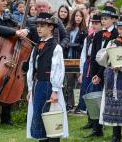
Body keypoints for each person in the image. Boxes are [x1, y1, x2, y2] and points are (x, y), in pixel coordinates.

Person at [26, 12, 68, 141]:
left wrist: (55, 90)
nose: (38, 28)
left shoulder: (56, 47)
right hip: (38, 85)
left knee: (51, 117)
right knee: (38, 115)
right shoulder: (37, 46)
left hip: (49, 86)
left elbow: (58, 69)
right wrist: (30, 88)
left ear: (51, 27)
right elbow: (32, 67)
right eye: (38, 25)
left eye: (42, 25)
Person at [87, 6, 119, 138]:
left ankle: (115, 132)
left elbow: (110, 58)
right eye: (102, 19)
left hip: (110, 72)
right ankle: (97, 128)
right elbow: (95, 55)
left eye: (106, 19)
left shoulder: (117, 34)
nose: (103, 21)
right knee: (97, 100)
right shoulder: (99, 34)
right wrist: (94, 74)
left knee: (112, 101)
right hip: (97, 74)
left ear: (113, 19)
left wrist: (100, 74)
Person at [76, 13, 102, 117]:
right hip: (88, 63)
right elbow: (83, 54)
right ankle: (85, 110)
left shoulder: (102, 37)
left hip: (97, 64)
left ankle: (95, 114)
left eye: (97, 23)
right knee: (85, 87)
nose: (94, 25)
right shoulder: (89, 37)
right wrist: (82, 72)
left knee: (95, 88)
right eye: (93, 23)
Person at [63, 9, 87, 112]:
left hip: (78, 59)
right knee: (70, 83)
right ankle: (69, 105)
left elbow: (83, 46)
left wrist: (74, 45)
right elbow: (65, 41)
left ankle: (78, 105)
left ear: (82, 18)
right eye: (76, 16)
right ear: (73, 17)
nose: (78, 18)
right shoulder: (68, 29)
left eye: (80, 16)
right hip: (69, 59)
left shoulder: (84, 31)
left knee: (79, 83)